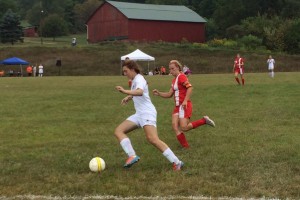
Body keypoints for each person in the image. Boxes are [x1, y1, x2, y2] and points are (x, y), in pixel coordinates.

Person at [115, 59, 184, 171]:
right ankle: (132, 155)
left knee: (153, 139)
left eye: (126, 71)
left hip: (147, 113)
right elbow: (138, 92)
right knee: (119, 131)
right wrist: (129, 97)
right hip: (139, 114)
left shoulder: (139, 79)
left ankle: (177, 162)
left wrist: (125, 91)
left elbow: (140, 91)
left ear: (132, 69)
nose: (124, 74)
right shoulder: (135, 80)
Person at [153, 60, 215, 149]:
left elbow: (190, 88)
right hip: (177, 107)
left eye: (172, 69)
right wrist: (159, 93)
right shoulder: (174, 80)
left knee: (184, 127)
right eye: (170, 69)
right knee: (175, 126)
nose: (171, 71)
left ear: (178, 67)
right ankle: (186, 147)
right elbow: (169, 94)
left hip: (184, 106)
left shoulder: (181, 76)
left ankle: (204, 120)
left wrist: (185, 101)